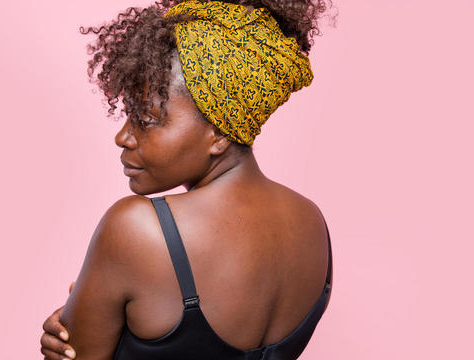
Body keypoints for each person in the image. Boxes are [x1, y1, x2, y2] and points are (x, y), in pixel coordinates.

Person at [40, 0, 333, 359]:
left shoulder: (136, 229)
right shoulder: (312, 224)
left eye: (146, 120)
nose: (123, 137)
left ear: (219, 135)